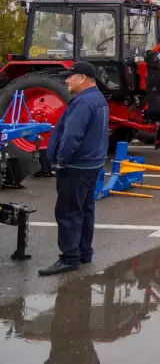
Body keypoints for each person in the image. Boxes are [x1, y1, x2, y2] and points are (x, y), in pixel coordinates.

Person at [39, 61, 109, 276]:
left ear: (82, 78)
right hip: (93, 163)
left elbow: (71, 136)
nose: (67, 80)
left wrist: (60, 160)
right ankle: (84, 251)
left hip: (76, 166)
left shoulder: (82, 103)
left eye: (70, 76)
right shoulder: (98, 99)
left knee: (68, 211)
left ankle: (70, 257)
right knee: (85, 209)